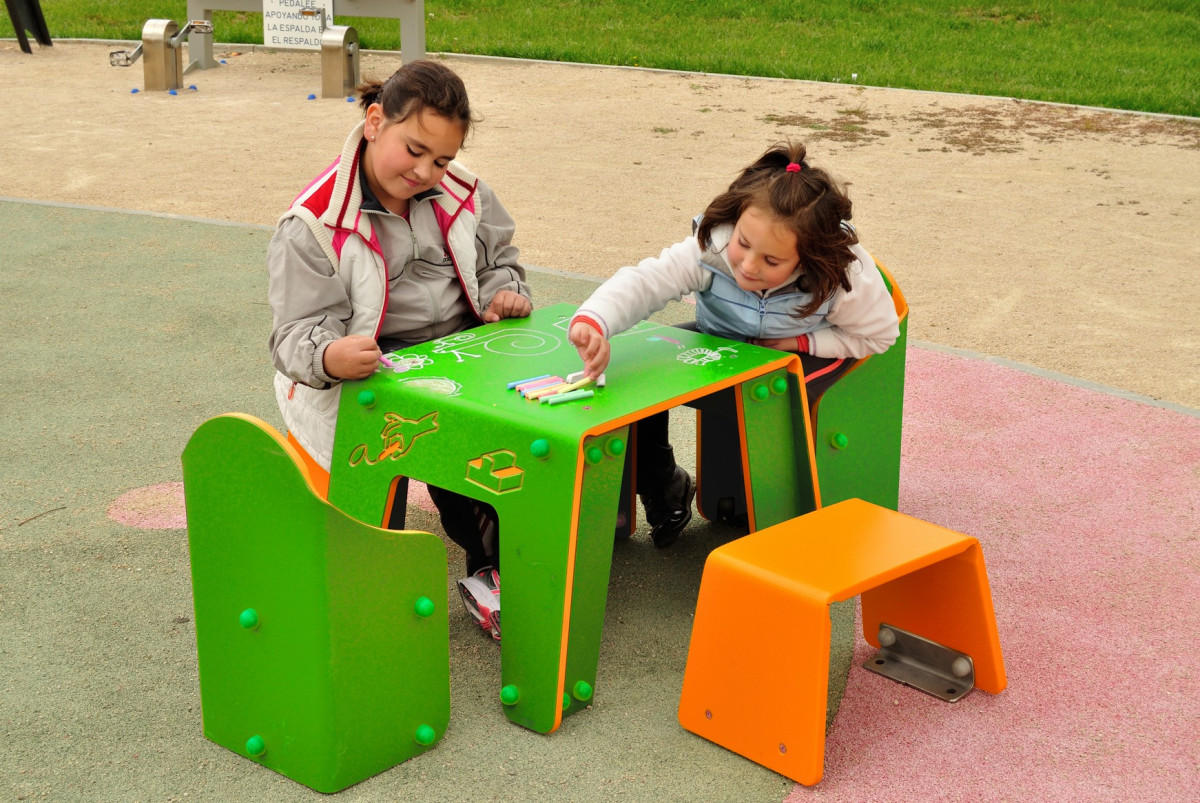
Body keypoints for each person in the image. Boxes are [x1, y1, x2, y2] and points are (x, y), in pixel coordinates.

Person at [267, 60, 531, 641]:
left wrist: (503, 291)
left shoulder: (465, 193)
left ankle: (492, 567)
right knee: (373, 513)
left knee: (484, 465)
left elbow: (498, 260)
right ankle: (373, 583)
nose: (424, 171)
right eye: (414, 150)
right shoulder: (313, 223)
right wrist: (330, 356)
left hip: (458, 360)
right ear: (374, 122)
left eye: (442, 160)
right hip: (364, 379)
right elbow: (295, 332)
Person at [568, 142, 899, 548]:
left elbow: (878, 335)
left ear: (806, 259)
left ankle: (784, 511)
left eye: (772, 262)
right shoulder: (713, 247)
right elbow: (646, 282)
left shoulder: (841, 275)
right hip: (721, 339)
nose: (748, 265)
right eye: (744, 242)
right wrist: (595, 320)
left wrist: (801, 340)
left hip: (804, 353)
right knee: (639, 376)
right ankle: (663, 484)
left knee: (781, 397)